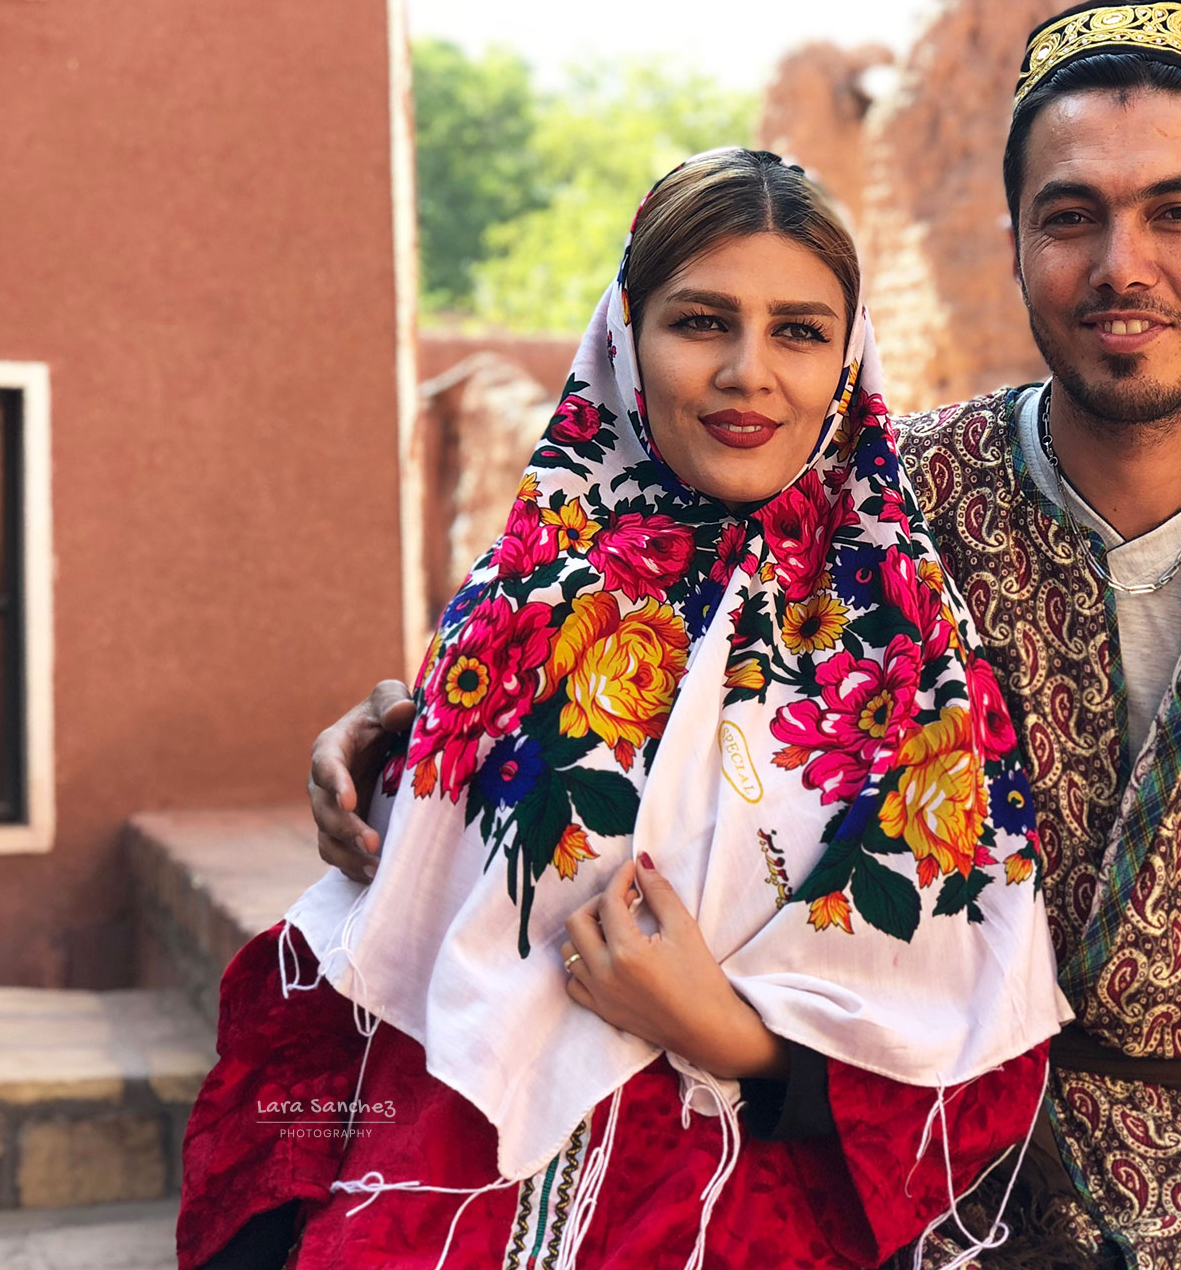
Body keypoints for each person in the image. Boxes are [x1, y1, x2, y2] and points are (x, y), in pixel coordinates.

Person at [312, 0, 1181, 1269]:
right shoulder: (887, 505)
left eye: (1178, 213)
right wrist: (424, 739)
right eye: (1073, 217)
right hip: (911, 1187)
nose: (1124, 266)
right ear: (1014, 246)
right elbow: (638, 623)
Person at [179, 148, 1069, 1270]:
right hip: (445, 1190)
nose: (751, 371)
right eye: (702, 321)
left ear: (848, 360)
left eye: (800, 331)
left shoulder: (914, 651)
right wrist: (402, 754)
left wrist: (738, 1040)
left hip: (749, 1218)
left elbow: (971, 1019)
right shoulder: (519, 607)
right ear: (625, 336)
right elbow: (393, 942)